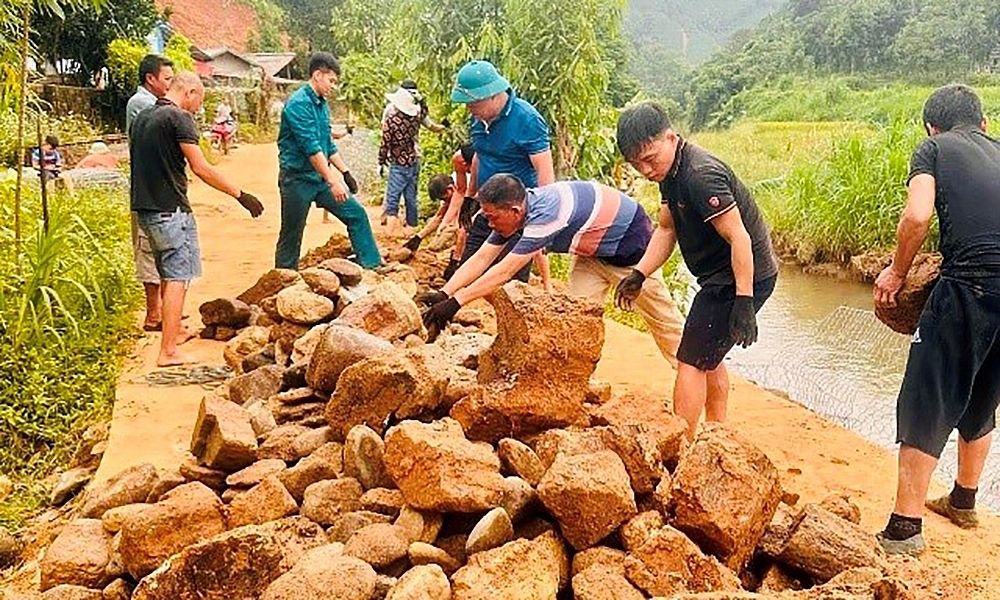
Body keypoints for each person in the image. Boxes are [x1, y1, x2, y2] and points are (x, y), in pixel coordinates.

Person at [872, 84, 1000, 557]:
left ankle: (904, 529)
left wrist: (897, 271)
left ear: (932, 127)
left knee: (927, 395)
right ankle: (964, 501)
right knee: (982, 392)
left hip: (969, 285)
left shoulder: (933, 148)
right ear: (983, 123)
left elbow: (917, 214)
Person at [614, 102, 778, 438]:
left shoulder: (699, 175)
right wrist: (639, 274)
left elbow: (740, 238)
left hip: (740, 276)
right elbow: (666, 229)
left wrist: (744, 302)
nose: (645, 170)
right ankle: (716, 434)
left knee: (690, 361)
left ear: (671, 138)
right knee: (708, 355)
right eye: (636, 164)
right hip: (722, 277)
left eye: (649, 158)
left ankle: (682, 443)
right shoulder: (669, 173)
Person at [421, 174, 685, 358]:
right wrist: (445, 293)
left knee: (666, 327)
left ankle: (694, 373)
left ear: (514, 211)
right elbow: (482, 257)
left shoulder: (545, 217)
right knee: (578, 322)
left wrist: (456, 303)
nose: (489, 224)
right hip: (591, 255)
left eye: (492, 217)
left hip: (633, 256)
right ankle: (578, 384)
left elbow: (503, 271)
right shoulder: (518, 213)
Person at [130, 72, 264, 367]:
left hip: (145, 209)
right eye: (198, 101)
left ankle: (174, 331)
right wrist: (240, 195)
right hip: (171, 209)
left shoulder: (143, 116)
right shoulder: (179, 118)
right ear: (189, 92)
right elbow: (201, 167)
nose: (197, 109)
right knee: (179, 276)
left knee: (167, 271)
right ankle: (168, 351)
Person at [450, 60, 552, 289]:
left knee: (511, 285)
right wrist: (470, 197)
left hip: (516, 214)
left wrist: (544, 221)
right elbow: (479, 156)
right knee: (468, 273)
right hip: (487, 208)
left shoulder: (527, 119)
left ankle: (507, 322)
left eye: (473, 103)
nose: (469, 109)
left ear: (493, 95)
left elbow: (544, 171)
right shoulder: (478, 120)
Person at [275, 52, 381, 270]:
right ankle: (284, 281)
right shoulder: (298, 104)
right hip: (297, 180)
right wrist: (333, 181)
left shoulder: (322, 104)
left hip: (319, 178)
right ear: (317, 75)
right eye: (331, 80)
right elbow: (311, 148)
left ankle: (372, 265)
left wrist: (346, 172)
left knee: (356, 214)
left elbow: (327, 143)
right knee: (292, 233)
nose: (333, 86)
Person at [126, 54, 175, 331]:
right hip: (148, 189)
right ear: (150, 78)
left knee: (162, 248)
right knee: (148, 249)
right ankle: (154, 314)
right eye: (166, 79)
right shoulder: (143, 104)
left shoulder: (150, 103)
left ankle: (165, 310)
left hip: (157, 187)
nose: (169, 85)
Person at [378, 79, 448, 236]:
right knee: (411, 195)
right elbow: (431, 125)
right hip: (415, 158)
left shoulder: (391, 113)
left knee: (393, 195)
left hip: (398, 160)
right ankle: (411, 228)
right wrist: (444, 127)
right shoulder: (417, 113)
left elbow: (385, 139)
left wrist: (381, 161)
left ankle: (391, 230)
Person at [400, 174, 460, 253]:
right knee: (434, 246)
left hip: (476, 207)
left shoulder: (466, 185)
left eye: (445, 198)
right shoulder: (447, 192)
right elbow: (439, 217)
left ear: (451, 188)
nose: (445, 201)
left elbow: (459, 220)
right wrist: (418, 237)